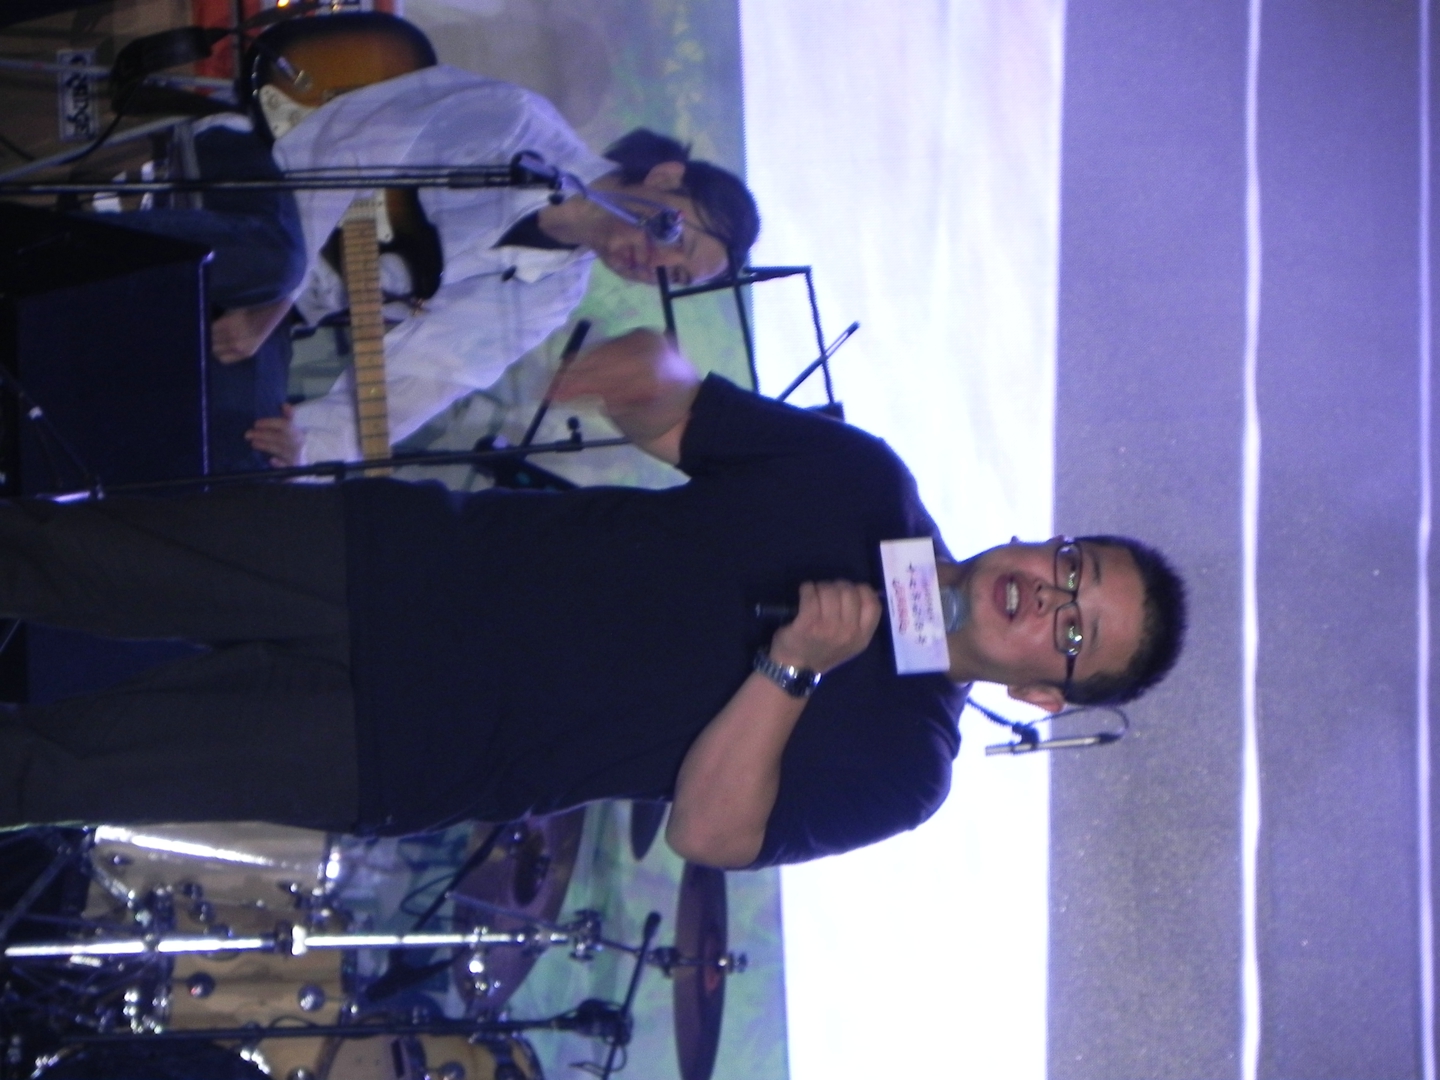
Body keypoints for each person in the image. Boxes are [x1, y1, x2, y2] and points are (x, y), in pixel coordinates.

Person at [0, 330, 1185, 868]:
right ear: (1044, 537)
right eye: (1071, 566)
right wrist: (642, 372)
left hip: (402, 745)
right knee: (55, 554)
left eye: (1074, 630)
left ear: (1045, 693)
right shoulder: (865, 484)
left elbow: (710, 834)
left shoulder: (906, 766)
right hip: (388, 558)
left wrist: (790, 673)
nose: (1048, 595)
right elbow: (672, 409)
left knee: (56, 767)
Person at [111, 60, 759, 471]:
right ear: (665, 177)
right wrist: (275, 297)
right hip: (257, 179)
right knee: (271, 261)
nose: (656, 263)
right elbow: (345, 153)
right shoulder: (516, 126)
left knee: (243, 453)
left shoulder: (547, 298)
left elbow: (430, 375)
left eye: (675, 276)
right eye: (675, 235)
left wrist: (308, 443)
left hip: (275, 312)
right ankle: (66, 252)